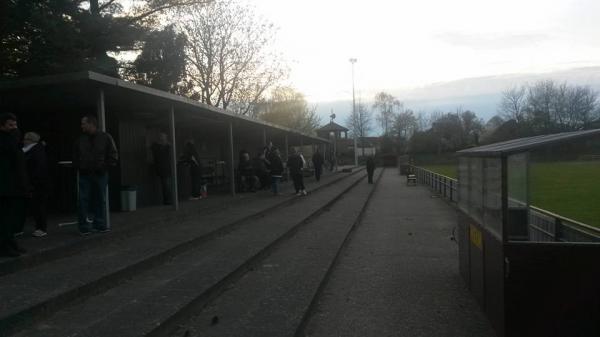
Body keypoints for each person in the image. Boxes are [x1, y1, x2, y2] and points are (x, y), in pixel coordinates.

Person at [73, 115, 118, 235]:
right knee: (83, 200)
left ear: (91, 124)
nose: (81, 126)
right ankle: (84, 227)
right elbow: (75, 156)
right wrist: (79, 167)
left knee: (99, 199)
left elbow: (113, 155)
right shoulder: (80, 139)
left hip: (100, 174)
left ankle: (99, 224)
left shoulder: (105, 137)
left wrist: (104, 168)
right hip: (85, 174)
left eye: (83, 123)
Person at [0, 113, 29, 256]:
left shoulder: (11, 139)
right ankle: (5, 247)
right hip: (5, 186)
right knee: (5, 218)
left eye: (15, 125)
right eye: (10, 125)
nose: (14, 128)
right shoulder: (6, 141)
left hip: (12, 185)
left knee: (10, 218)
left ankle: (10, 243)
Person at [22, 132, 50, 237]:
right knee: (38, 206)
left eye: (25, 139)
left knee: (39, 206)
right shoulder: (37, 149)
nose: (23, 141)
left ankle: (41, 228)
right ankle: (40, 227)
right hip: (39, 182)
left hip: (38, 183)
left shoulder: (35, 151)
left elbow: (38, 168)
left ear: (30, 140)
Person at [151, 133, 172, 205]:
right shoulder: (159, 147)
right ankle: (167, 200)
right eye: (163, 137)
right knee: (166, 185)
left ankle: (167, 200)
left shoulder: (159, 146)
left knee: (166, 185)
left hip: (164, 169)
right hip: (164, 169)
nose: (164, 139)